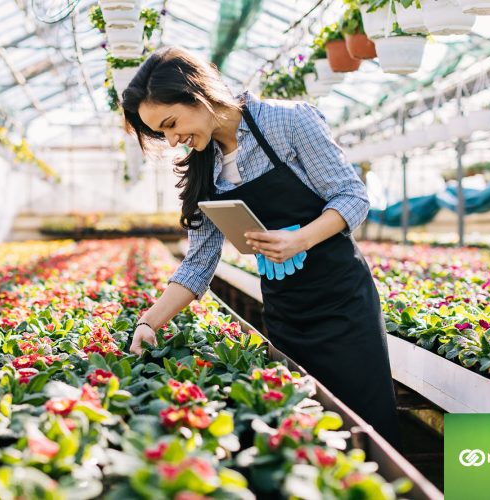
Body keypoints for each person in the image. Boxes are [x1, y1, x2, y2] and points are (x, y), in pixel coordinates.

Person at [121, 46, 401, 447]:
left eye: (169, 123)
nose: (171, 139)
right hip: (285, 310)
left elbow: (352, 197)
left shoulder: (287, 122)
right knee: (305, 426)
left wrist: (300, 238)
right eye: (160, 133)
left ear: (196, 94)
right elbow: (199, 263)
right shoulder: (204, 164)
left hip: (343, 303)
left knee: (369, 421)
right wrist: (149, 322)